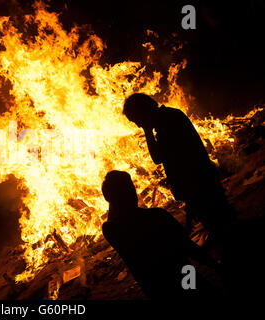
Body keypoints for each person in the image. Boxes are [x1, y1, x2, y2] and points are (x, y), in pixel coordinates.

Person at [122, 93, 235, 240]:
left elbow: (159, 158)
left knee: (223, 228)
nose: (137, 124)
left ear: (142, 112)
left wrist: (147, 131)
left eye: (136, 120)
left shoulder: (167, 122)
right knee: (221, 224)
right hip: (200, 181)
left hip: (199, 183)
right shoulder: (169, 116)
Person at [101, 170, 221, 299]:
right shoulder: (157, 216)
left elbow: (120, 218)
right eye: (131, 188)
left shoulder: (110, 230)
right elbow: (188, 247)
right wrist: (215, 265)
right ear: (129, 194)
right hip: (185, 277)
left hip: (156, 289)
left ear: (109, 199)